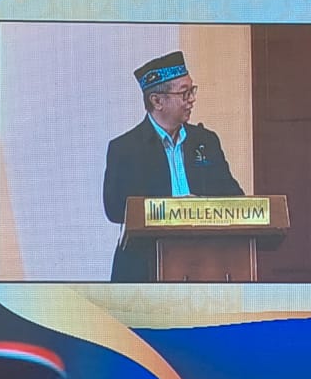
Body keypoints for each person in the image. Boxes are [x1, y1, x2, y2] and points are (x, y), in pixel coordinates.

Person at [101, 51, 243, 282]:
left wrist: (201, 206)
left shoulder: (206, 142)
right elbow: (115, 209)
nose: (192, 99)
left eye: (192, 90)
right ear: (157, 101)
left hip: (207, 264)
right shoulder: (125, 149)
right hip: (145, 269)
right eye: (184, 93)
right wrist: (175, 208)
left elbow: (234, 197)